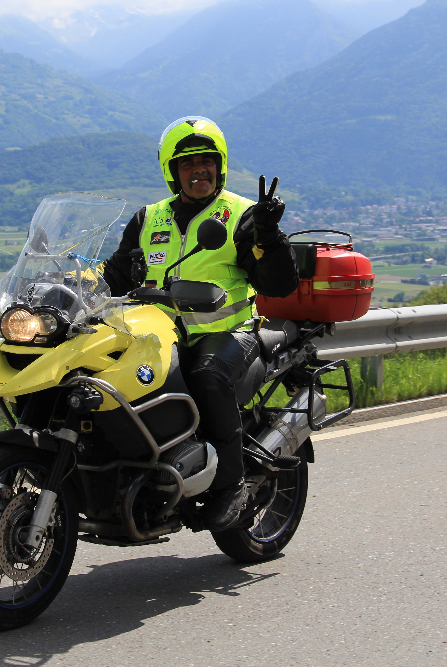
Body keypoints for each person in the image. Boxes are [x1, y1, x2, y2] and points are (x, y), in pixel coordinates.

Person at [99, 116, 300, 531]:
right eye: (188, 163)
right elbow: (114, 274)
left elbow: (277, 284)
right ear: (172, 171)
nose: (199, 170)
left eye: (207, 161)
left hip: (226, 333)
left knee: (207, 376)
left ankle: (231, 484)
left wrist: (269, 235)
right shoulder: (147, 219)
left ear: (219, 165)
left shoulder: (241, 215)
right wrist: (70, 283)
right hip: (156, 335)